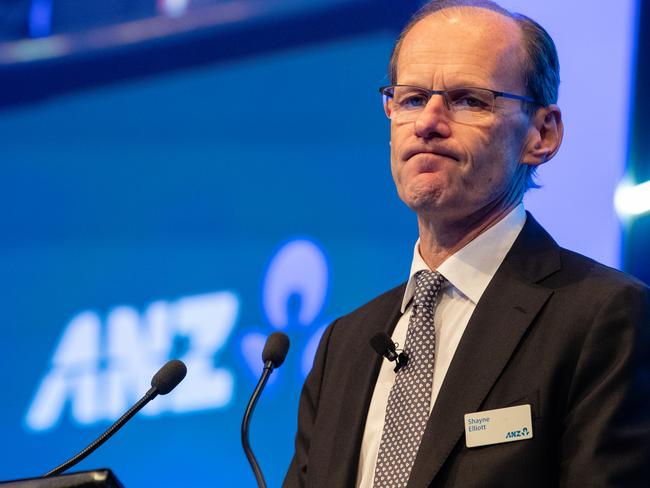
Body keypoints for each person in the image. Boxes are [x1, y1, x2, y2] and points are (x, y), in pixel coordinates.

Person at [283, 1, 650, 486]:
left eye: (468, 100)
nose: (427, 123)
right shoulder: (343, 348)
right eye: (411, 99)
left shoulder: (603, 317)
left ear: (541, 133)